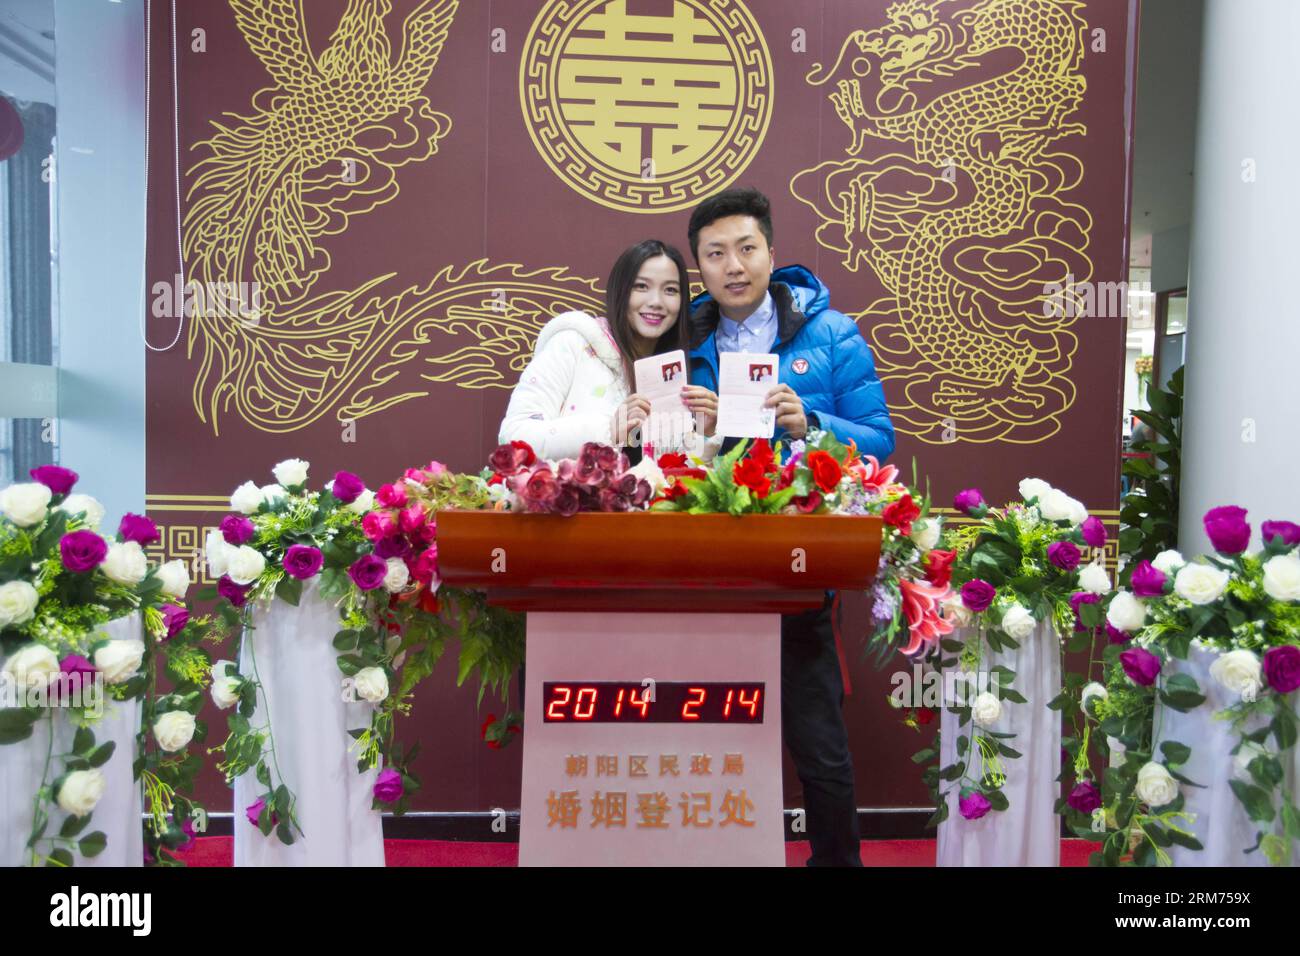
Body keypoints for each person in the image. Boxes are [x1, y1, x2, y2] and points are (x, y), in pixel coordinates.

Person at [686, 186, 896, 866]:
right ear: (701, 268)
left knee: (820, 750)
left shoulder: (831, 333)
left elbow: (879, 440)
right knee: (706, 747)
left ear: (772, 254)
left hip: (796, 574)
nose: (733, 265)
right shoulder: (681, 340)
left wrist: (813, 426)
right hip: (705, 577)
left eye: (746, 248)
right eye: (715, 254)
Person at [498, 239, 719, 460]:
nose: (656, 302)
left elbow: (672, 477)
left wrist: (704, 433)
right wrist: (607, 431)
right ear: (620, 291)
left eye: (670, 290)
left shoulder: (670, 372)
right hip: (568, 494)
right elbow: (513, 438)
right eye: (641, 286)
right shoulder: (574, 343)